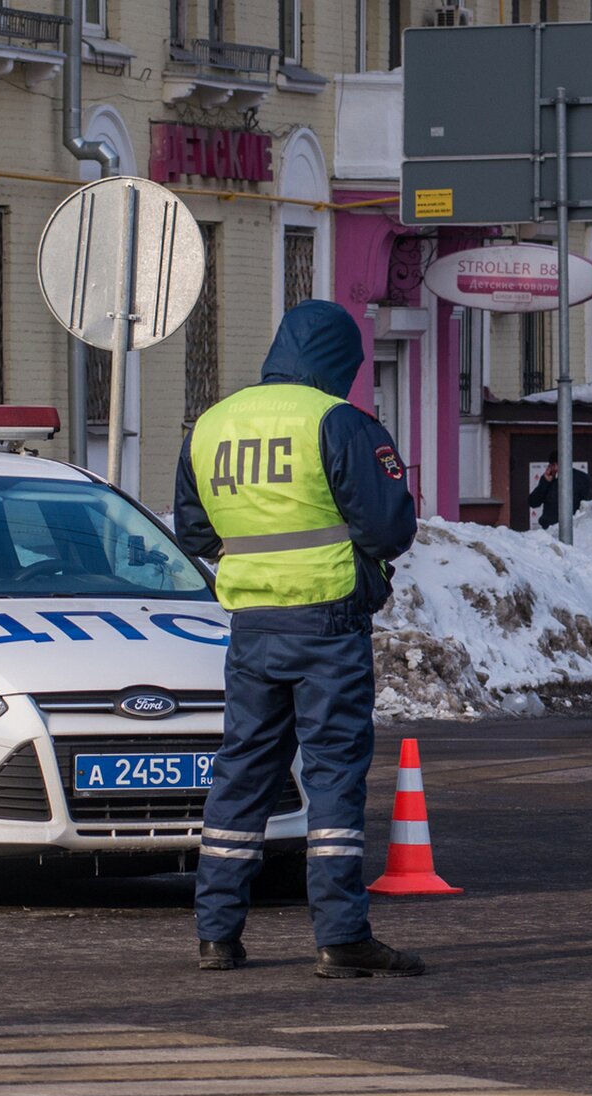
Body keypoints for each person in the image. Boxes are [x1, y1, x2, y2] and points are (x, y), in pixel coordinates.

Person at [174, 299, 423, 979]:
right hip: (328, 623)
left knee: (241, 774)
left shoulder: (213, 426)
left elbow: (195, 534)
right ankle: (340, 935)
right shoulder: (337, 421)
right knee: (333, 777)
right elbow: (389, 525)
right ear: (341, 361)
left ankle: (216, 935)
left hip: (252, 628)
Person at [528, 453, 590, 530]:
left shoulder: (581, 479)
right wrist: (545, 482)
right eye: (552, 465)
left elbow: (587, 505)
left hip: (574, 529)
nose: (555, 468)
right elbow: (533, 502)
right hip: (549, 529)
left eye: (557, 464)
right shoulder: (549, 479)